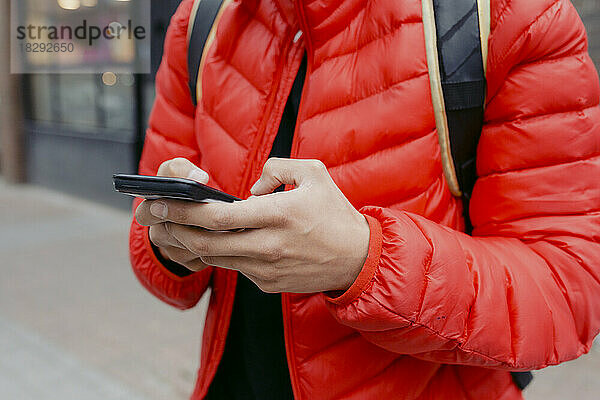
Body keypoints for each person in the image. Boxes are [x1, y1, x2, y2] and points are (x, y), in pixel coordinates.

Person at [130, 0, 600, 398]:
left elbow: (569, 287)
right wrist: (169, 239)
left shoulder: (508, 16)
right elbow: (151, 255)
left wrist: (363, 259)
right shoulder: (200, 20)